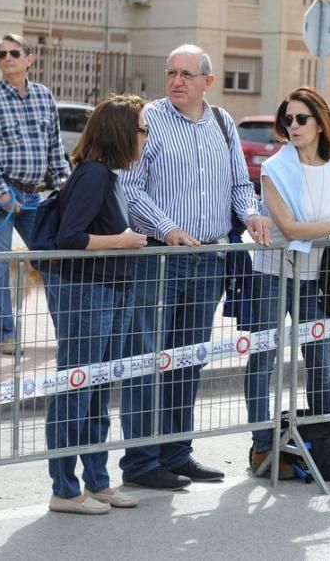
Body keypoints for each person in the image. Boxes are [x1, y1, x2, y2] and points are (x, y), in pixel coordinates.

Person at [117, 44, 272, 490]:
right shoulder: (148, 120)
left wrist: (252, 213)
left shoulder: (222, 122)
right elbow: (130, 188)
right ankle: (142, 461)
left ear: (207, 81)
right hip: (160, 259)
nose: (176, 80)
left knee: (189, 359)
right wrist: (166, 229)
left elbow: (240, 184)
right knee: (148, 358)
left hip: (210, 258)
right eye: (170, 72)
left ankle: (177, 452)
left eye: (186, 73)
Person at [245, 87, 330, 478]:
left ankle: (319, 438)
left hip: (317, 275)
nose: (293, 126)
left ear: (320, 122)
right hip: (273, 272)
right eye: (288, 119)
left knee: (320, 359)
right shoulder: (276, 168)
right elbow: (289, 227)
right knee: (263, 358)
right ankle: (262, 446)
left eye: (301, 118)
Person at [45, 95, 149, 514]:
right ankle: (64, 489)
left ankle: (98, 482)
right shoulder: (93, 175)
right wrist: (122, 240)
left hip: (112, 292)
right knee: (76, 388)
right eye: (141, 129)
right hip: (89, 293)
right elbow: (69, 238)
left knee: (99, 390)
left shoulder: (108, 176)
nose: (146, 137)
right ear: (121, 133)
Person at [0, 33, 71, 355]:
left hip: (34, 198)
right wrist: (1, 193)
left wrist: (67, 187)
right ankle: (6, 334)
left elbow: (55, 150)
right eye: (2, 54)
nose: (7, 58)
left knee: (51, 262)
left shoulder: (44, 97)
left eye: (14, 53)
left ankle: (67, 333)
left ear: (29, 59)